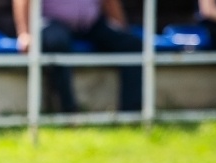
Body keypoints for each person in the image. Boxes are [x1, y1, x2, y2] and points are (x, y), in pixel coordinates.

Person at [12, 0, 143, 113]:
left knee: (132, 45)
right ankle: (68, 113)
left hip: (91, 23)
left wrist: (122, 28)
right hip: (52, 23)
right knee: (57, 43)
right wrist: (24, 33)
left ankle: (131, 115)